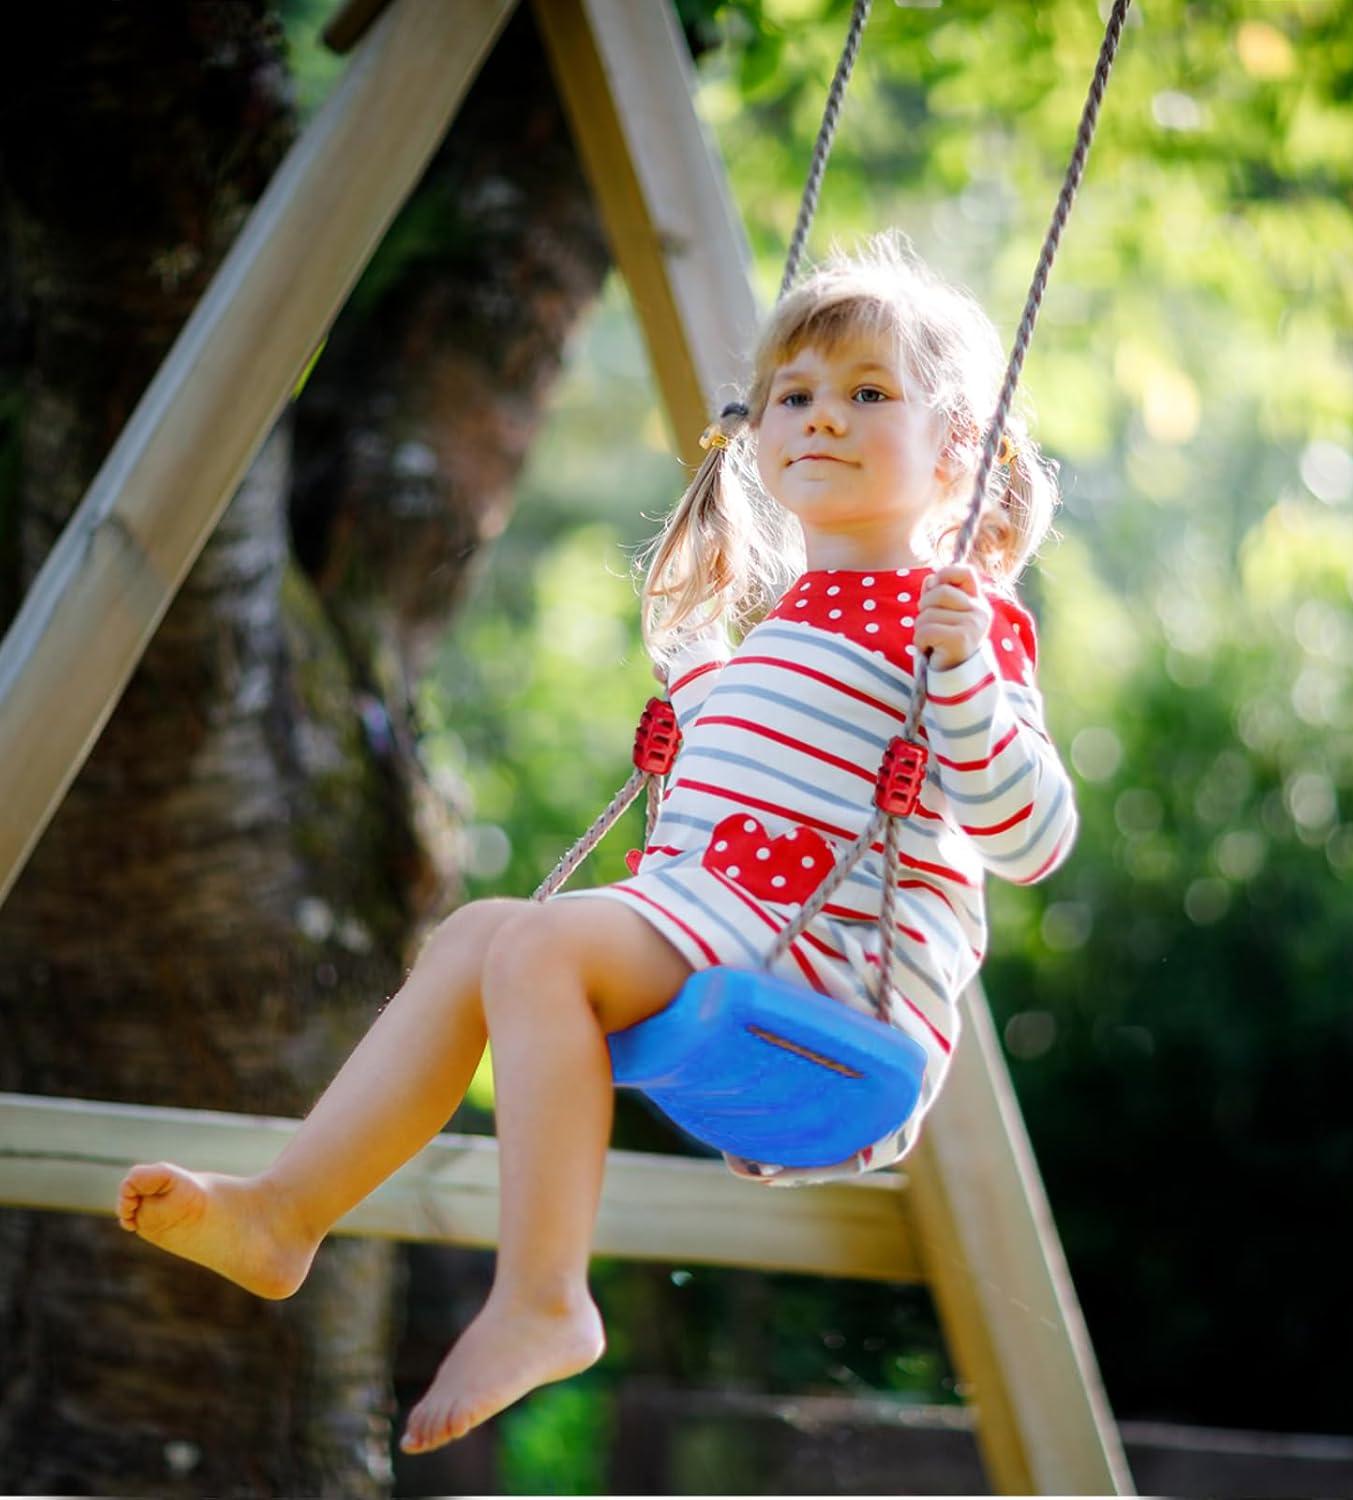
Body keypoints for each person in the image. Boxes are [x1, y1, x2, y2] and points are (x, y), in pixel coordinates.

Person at [115, 232, 1078, 1454]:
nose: (821, 417)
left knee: (539, 952)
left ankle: (544, 1299)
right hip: (726, 939)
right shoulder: (767, 631)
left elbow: (1032, 836)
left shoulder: (958, 623)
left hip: (835, 982)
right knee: (478, 934)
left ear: (957, 451)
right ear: (757, 431)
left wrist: (967, 682)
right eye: (794, 394)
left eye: (868, 393)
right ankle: (285, 1215)